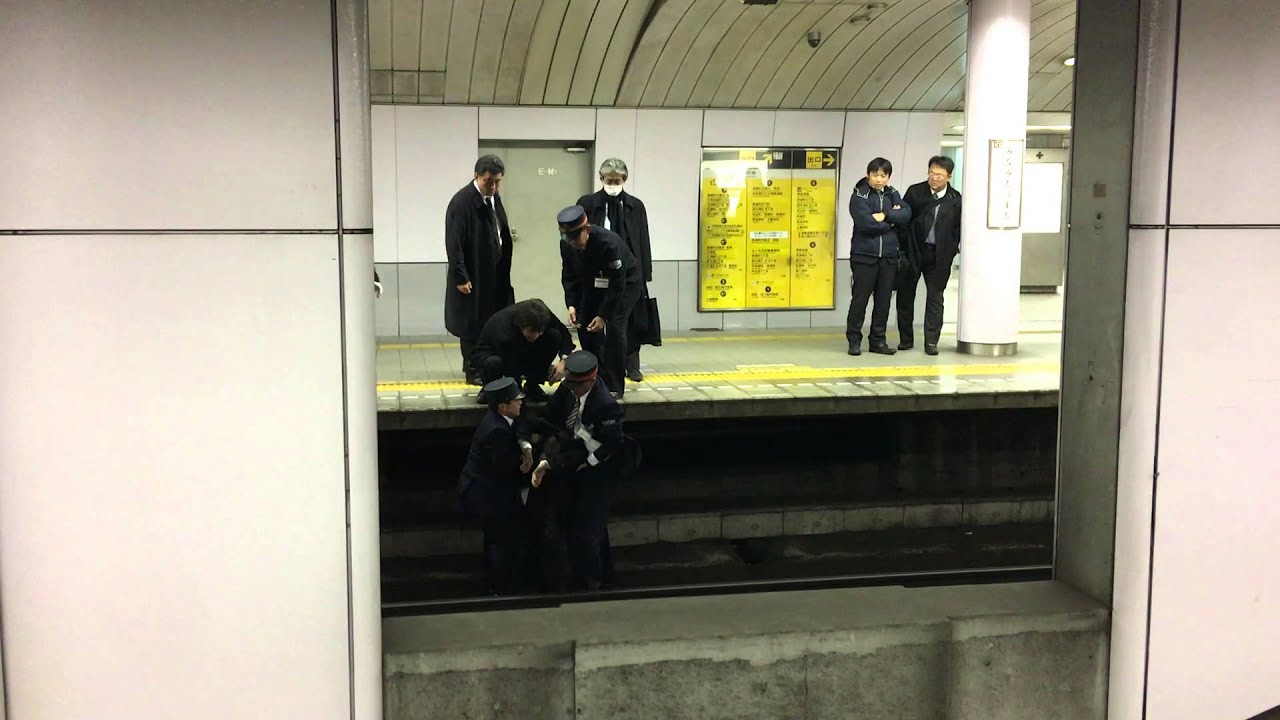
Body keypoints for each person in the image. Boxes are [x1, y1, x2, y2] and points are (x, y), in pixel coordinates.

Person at [528, 351, 631, 592]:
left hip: (598, 471)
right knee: (578, 525)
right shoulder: (568, 390)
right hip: (572, 460)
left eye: (576, 385)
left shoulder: (606, 406)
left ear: (590, 380)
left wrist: (586, 463)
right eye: (569, 383)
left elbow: (610, 446)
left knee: (589, 530)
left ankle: (591, 585)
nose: (571, 389)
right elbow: (551, 419)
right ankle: (592, 576)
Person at [576, 158, 654, 382]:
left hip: (629, 272)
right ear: (601, 179)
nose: (612, 184)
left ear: (624, 180)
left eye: (617, 181)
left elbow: (643, 239)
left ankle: (631, 364)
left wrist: (645, 274)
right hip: (598, 272)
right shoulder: (587, 203)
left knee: (627, 320)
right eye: (609, 180)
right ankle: (599, 366)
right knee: (598, 317)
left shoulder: (635, 206)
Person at [456, 377, 536, 595]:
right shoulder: (496, 431)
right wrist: (526, 463)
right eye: (516, 400)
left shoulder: (501, 419)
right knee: (500, 541)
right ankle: (502, 587)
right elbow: (506, 466)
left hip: (491, 490)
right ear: (503, 406)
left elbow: (523, 422)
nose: (520, 403)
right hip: (488, 495)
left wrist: (525, 445)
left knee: (499, 539)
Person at [556, 205, 642, 398]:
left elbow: (617, 285)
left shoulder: (609, 244)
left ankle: (614, 386)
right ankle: (595, 378)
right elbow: (569, 275)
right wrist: (572, 304)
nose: (571, 242)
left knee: (614, 329)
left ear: (586, 230)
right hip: (594, 284)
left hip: (624, 285)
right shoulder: (567, 244)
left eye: (575, 237)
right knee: (585, 326)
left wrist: (603, 315)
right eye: (567, 237)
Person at [444, 155, 515, 385]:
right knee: (471, 324)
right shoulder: (462, 203)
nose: (493, 186)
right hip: (472, 274)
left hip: (493, 273)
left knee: (491, 320)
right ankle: (472, 369)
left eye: (497, 181)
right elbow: (454, 243)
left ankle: (487, 364)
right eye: (488, 181)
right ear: (476, 176)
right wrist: (460, 276)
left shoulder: (494, 198)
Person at [897, 156, 962, 356]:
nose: (934, 177)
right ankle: (906, 339)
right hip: (914, 251)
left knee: (935, 298)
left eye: (939, 174)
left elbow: (958, 229)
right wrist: (903, 248)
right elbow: (903, 221)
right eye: (931, 173)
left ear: (949, 177)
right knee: (905, 295)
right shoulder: (914, 192)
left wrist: (951, 250)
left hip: (939, 256)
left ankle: (931, 342)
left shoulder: (955, 198)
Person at [846, 157, 911, 356]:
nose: (879, 179)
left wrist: (884, 216)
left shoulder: (893, 193)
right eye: (875, 175)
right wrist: (891, 222)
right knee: (860, 301)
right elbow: (866, 224)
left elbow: (906, 214)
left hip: (889, 257)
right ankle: (854, 341)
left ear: (888, 177)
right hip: (864, 256)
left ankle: (878, 341)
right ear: (868, 175)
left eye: (883, 175)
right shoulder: (860, 195)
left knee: (883, 302)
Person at [471, 298, 574, 403]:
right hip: (494, 355)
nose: (536, 336)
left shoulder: (543, 315)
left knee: (554, 335)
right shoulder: (503, 331)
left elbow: (564, 334)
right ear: (521, 325)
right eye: (532, 332)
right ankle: (489, 389)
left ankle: (532, 387)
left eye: (540, 332)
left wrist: (564, 361)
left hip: (520, 349)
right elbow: (512, 365)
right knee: (493, 363)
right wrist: (515, 390)